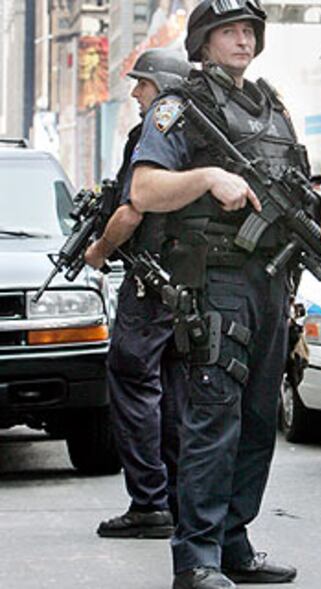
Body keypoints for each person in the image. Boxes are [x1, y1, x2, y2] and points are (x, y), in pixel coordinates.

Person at [130, 1, 321, 587]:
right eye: (230, 30)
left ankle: (233, 542)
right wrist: (206, 178)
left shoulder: (271, 107)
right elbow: (144, 188)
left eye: (250, 30)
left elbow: (297, 190)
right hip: (218, 280)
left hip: (271, 282)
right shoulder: (180, 107)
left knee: (257, 420)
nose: (243, 41)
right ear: (203, 41)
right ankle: (196, 557)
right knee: (214, 416)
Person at [85, 48, 192, 539]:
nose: (135, 93)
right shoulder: (200, 131)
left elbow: (131, 211)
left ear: (164, 88)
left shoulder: (158, 129)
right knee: (171, 393)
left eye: (142, 85)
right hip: (186, 285)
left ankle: (149, 502)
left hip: (151, 284)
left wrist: (99, 250)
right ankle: (171, 499)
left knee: (131, 380)